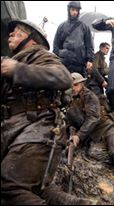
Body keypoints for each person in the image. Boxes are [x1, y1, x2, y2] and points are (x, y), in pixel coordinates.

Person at [0, 19, 79, 205]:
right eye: (11, 33)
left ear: (32, 41)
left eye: (18, 32)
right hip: (16, 129)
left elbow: (63, 77)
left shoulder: (39, 55)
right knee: (32, 187)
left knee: (9, 185)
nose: (10, 34)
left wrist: (17, 69)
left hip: (38, 127)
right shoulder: (12, 60)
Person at [66, 72, 114, 201]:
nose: (73, 88)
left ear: (82, 84)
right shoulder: (68, 99)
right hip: (95, 136)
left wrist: (79, 135)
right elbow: (69, 121)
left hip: (108, 129)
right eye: (70, 85)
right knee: (93, 154)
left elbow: (93, 118)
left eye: (76, 85)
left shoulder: (90, 96)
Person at [53, 1, 94, 77]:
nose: (75, 12)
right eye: (73, 10)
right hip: (64, 63)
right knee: (63, 86)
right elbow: (55, 47)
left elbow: (89, 46)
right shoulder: (61, 26)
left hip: (79, 64)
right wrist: (63, 53)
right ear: (69, 10)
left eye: (77, 10)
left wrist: (90, 60)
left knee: (78, 87)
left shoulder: (84, 27)